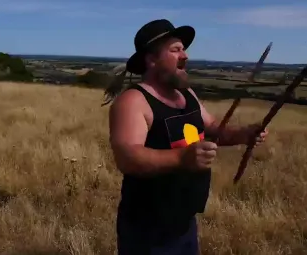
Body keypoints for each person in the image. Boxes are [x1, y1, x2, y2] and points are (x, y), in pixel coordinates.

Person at [104, 19, 269, 255]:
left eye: (184, 49)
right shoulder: (133, 101)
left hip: (185, 221)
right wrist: (182, 158)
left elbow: (212, 127)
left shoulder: (186, 94)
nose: (186, 56)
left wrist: (244, 134)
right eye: (176, 50)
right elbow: (127, 157)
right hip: (148, 229)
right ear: (151, 59)